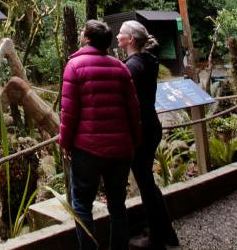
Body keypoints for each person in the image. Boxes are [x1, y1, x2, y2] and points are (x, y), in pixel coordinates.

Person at [59, 19, 142, 250]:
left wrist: (64, 143)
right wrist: (135, 141)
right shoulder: (121, 68)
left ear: (87, 38)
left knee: (82, 205)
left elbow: (69, 112)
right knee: (118, 205)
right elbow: (133, 110)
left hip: (87, 149)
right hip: (121, 149)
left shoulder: (74, 67)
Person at [117, 20, 180, 249]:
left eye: (121, 34)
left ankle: (157, 237)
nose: (117, 36)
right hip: (150, 126)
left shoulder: (133, 67)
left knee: (145, 182)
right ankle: (165, 232)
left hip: (141, 129)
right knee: (147, 181)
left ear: (131, 39)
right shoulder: (147, 61)